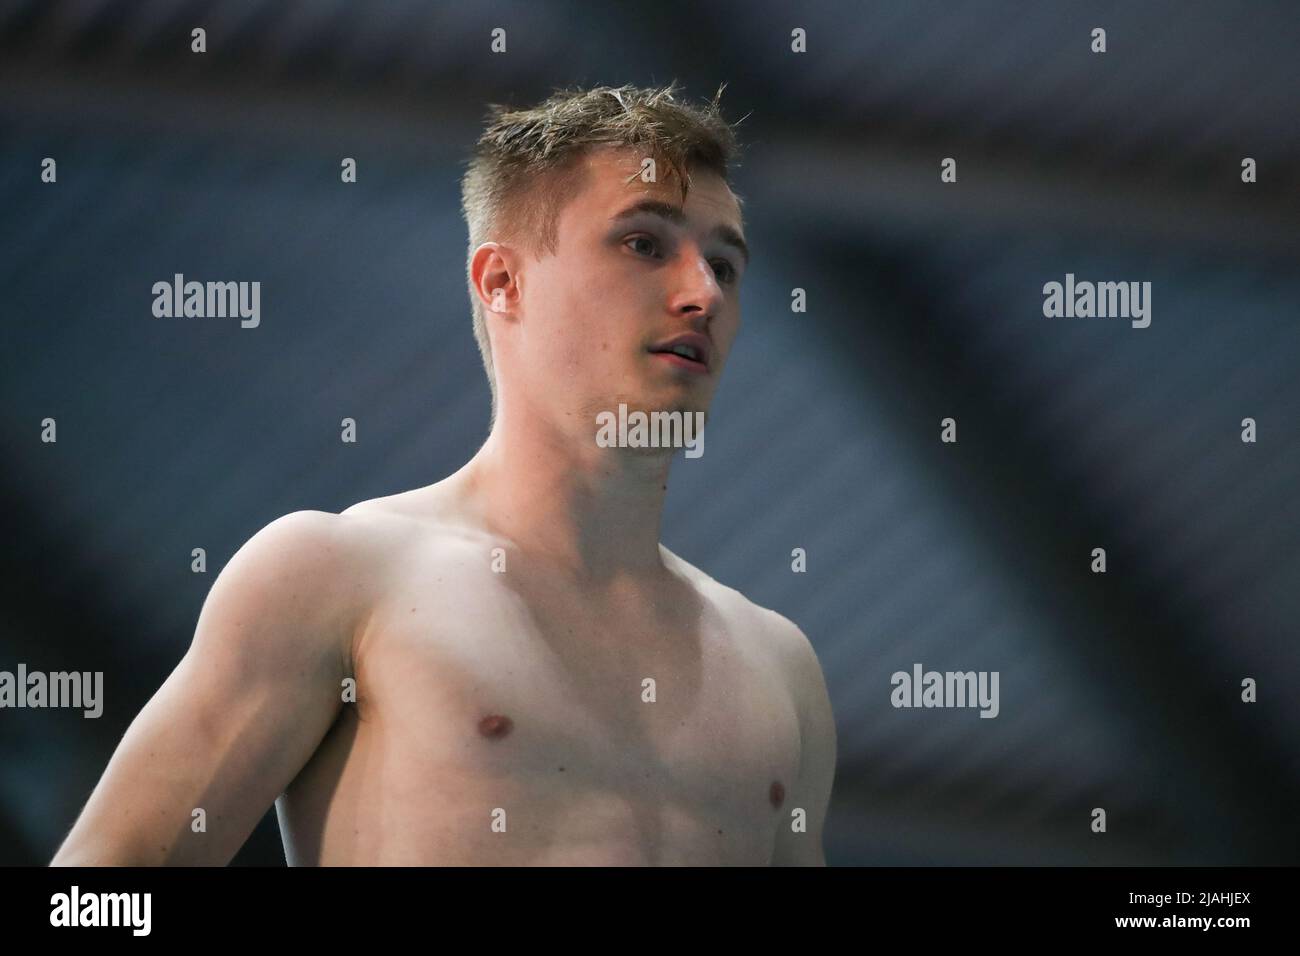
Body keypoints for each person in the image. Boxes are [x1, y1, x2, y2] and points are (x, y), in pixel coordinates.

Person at [51, 83, 836, 866]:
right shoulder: (337, 577)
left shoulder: (779, 667)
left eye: (725, 266)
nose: (701, 293)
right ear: (502, 282)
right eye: (644, 244)